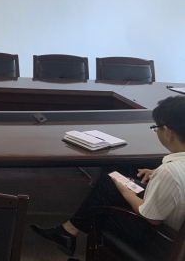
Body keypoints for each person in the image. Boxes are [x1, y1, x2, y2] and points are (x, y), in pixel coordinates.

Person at [32, 95, 185, 257]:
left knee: (100, 212)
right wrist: (156, 173)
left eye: (156, 127)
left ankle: (81, 243)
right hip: (174, 224)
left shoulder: (169, 172)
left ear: (168, 132)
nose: (156, 132)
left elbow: (151, 218)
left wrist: (126, 193)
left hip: (165, 239)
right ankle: (67, 232)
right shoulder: (172, 169)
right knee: (110, 180)